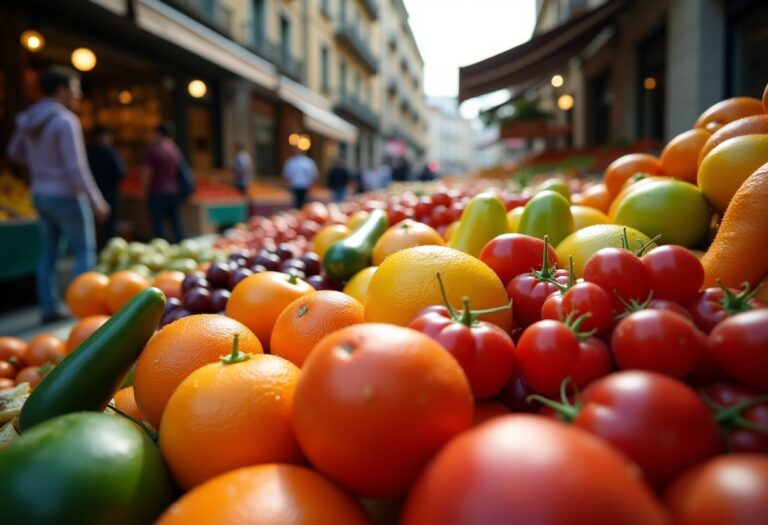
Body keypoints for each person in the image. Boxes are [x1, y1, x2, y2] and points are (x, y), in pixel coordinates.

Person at [6, 66, 110, 323]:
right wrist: (96, 199)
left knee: (48, 254)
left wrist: (40, 165)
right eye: (76, 88)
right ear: (62, 89)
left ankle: (48, 308)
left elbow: (13, 152)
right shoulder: (65, 120)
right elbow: (76, 167)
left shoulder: (28, 119)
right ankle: (83, 313)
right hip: (67, 195)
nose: (79, 94)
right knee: (84, 251)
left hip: (39, 194)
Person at [142, 123, 186, 242]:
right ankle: (182, 245)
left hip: (157, 191)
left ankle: (160, 249)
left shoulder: (153, 150)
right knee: (176, 222)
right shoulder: (175, 150)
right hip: (173, 191)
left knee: (158, 225)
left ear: (158, 133)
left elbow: (147, 174)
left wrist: (144, 192)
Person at [87, 126, 126, 243]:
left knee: (91, 224)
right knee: (110, 225)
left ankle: (96, 247)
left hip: (92, 193)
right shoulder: (109, 152)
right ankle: (109, 248)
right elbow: (120, 172)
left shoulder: (88, 152)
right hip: (109, 193)